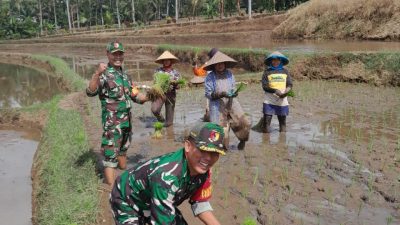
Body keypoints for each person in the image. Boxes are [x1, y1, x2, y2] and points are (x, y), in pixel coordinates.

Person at [110, 122, 225, 225]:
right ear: (188, 146)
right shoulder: (167, 177)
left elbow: (200, 202)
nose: (208, 158)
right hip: (127, 200)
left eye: (214, 153)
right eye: (203, 150)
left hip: (156, 199)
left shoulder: (203, 170)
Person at [86, 41, 147, 185]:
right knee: (110, 154)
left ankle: (122, 174)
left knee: (123, 150)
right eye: (114, 54)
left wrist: (152, 95)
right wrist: (97, 73)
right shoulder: (104, 74)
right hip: (112, 122)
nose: (118, 57)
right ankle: (111, 189)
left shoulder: (126, 76)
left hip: (127, 121)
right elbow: (90, 92)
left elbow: (135, 96)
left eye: (120, 53)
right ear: (108, 55)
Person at [204, 51, 250, 150]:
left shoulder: (230, 74)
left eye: (222, 63)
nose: (220, 65)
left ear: (225, 64)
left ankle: (242, 141)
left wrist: (235, 92)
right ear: (214, 65)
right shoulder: (210, 77)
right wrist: (221, 94)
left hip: (231, 102)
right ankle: (224, 150)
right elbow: (208, 93)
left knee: (244, 123)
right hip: (217, 106)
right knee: (222, 131)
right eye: (217, 64)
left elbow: (233, 88)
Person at [259, 51, 293, 133]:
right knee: (266, 122)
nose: (275, 62)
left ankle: (282, 140)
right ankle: (266, 141)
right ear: (271, 61)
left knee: (282, 123)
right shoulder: (267, 72)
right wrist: (275, 91)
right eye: (273, 60)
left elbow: (289, 84)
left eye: (277, 60)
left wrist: (286, 91)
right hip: (269, 100)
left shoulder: (285, 71)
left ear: (281, 61)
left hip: (282, 100)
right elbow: (264, 86)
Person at [151, 50, 180, 127]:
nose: (166, 61)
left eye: (168, 60)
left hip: (171, 95)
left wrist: (175, 84)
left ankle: (168, 134)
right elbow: (155, 82)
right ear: (162, 61)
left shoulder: (175, 72)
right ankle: (161, 119)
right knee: (154, 110)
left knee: (169, 123)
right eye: (165, 60)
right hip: (160, 94)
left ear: (171, 61)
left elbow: (179, 86)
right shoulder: (158, 71)